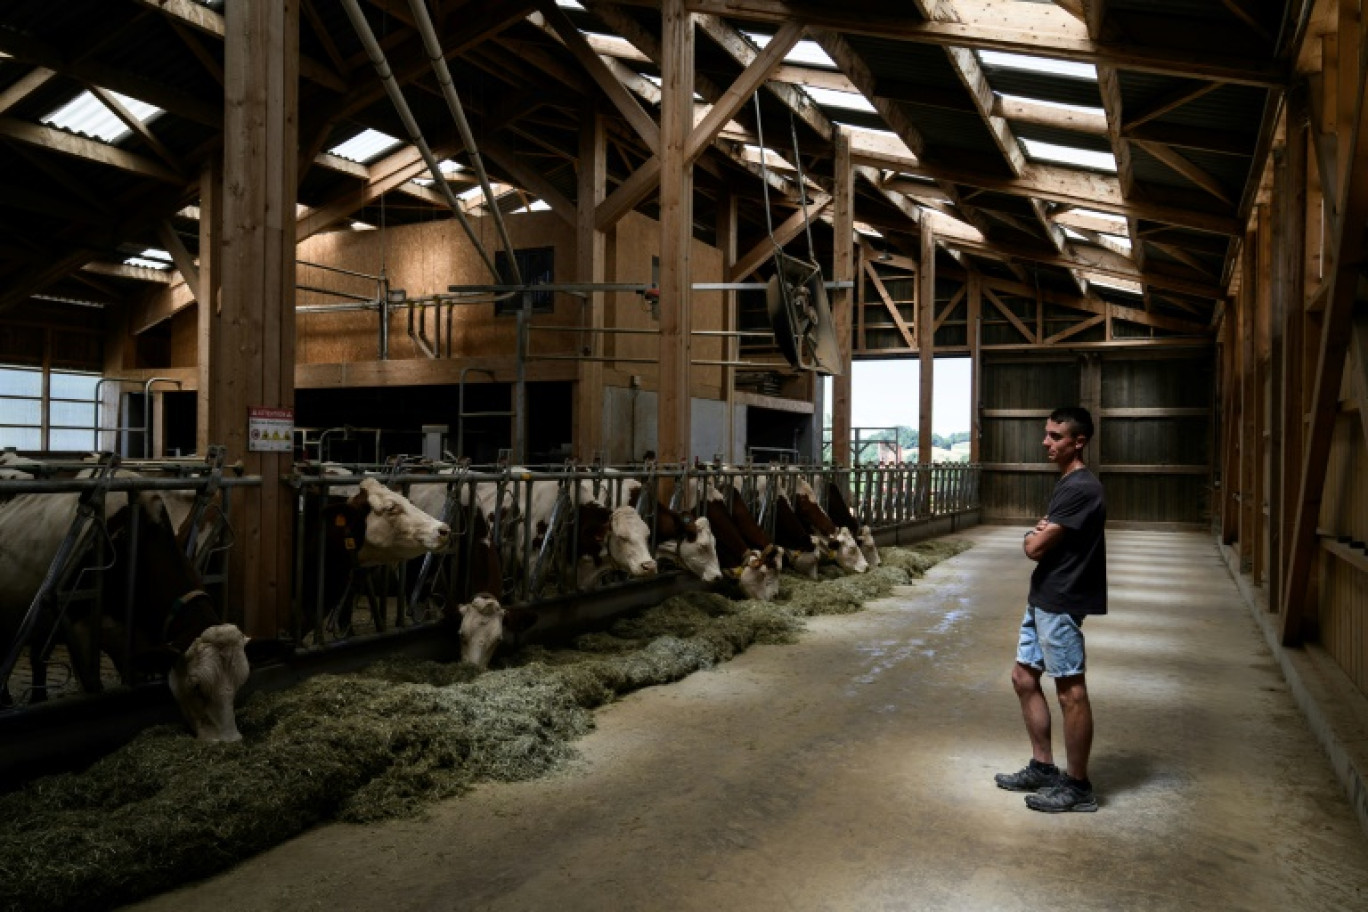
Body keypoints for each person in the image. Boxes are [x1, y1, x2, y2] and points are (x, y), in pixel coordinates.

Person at [995, 406, 1107, 813]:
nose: (1046, 442)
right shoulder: (1067, 484)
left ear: (1078, 442)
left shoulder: (1081, 488)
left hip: (1061, 599)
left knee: (1070, 691)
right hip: (1044, 596)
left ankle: (1078, 787)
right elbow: (1048, 536)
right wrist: (1044, 530)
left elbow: (1034, 548)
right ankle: (1043, 767)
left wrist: (1033, 534)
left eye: (1055, 436)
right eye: (1046, 434)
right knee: (1023, 677)